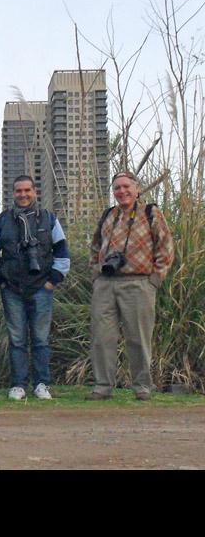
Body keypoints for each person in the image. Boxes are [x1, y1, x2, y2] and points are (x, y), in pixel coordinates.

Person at [88, 170, 174, 401]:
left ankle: (142, 387)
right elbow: (95, 246)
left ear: (137, 188)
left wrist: (155, 279)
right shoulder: (108, 215)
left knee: (138, 338)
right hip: (106, 284)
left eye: (126, 186)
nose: (122, 191)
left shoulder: (150, 212)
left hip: (138, 283)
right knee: (102, 337)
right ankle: (102, 386)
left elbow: (165, 246)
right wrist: (96, 274)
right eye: (117, 187)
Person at [0, 175, 70, 401]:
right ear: (13, 193)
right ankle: (18, 384)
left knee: (41, 339)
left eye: (27, 190)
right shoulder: (2, 220)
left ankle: (42, 383)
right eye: (18, 191)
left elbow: (62, 251)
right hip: (12, 288)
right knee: (17, 340)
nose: (23, 195)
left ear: (35, 191)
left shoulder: (49, 219)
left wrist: (53, 280)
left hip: (41, 288)